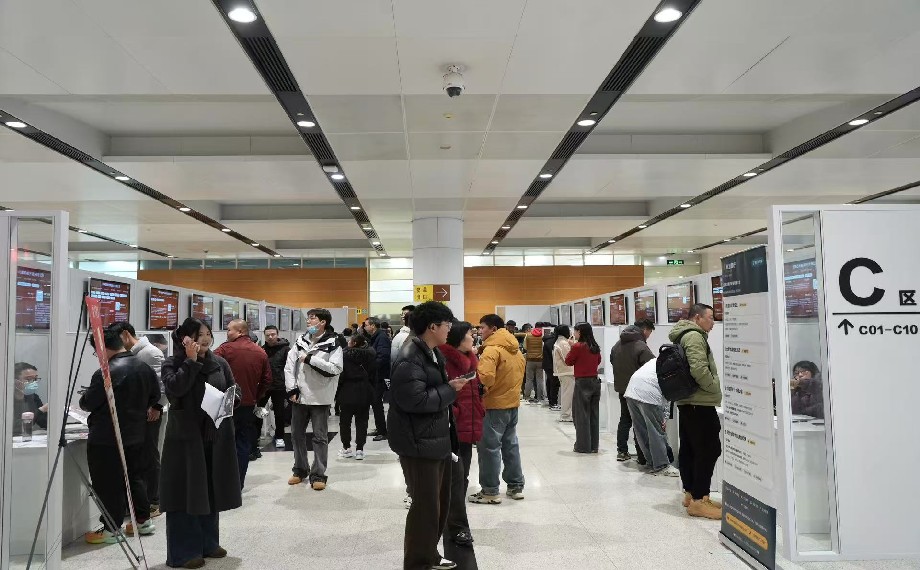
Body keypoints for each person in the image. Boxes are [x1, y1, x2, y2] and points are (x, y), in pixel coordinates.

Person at [388, 301, 466, 570]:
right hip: (418, 443)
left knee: (437, 504)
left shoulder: (430, 352)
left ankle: (429, 555)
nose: (450, 329)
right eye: (447, 325)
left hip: (434, 439)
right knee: (425, 507)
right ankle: (418, 562)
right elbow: (415, 401)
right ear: (432, 326)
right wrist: (451, 390)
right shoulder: (410, 356)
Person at [160, 318, 241, 568]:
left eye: (207, 333)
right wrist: (191, 361)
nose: (204, 339)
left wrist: (230, 401)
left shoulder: (220, 363)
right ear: (184, 338)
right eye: (198, 334)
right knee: (185, 492)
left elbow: (234, 389)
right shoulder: (173, 363)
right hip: (186, 438)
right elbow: (175, 390)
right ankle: (184, 551)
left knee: (210, 489)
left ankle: (208, 543)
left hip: (214, 435)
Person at [81, 328, 160, 544]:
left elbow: (89, 402)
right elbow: (155, 395)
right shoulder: (143, 366)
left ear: (101, 348)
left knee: (107, 483)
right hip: (137, 433)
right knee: (136, 478)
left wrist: (84, 398)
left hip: (107, 437)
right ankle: (142, 521)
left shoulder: (105, 373)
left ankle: (111, 528)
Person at [108, 322, 167, 517]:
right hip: (133, 414)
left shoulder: (150, 353)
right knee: (138, 458)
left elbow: (161, 384)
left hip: (150, 413)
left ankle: (154, 501)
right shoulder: (130, 354)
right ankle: (139, 501)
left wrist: (157, 406)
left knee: (149, 456)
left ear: (126, 334)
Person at [670, 303, 722, 520]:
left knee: (691, 448)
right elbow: (699, 369)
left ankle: (692, 495)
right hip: (699, 401)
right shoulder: (693, 336)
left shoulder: (684, 335)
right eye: (710, 318)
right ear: (698, 318)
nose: (713, 323)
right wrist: (714, 388)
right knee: (709, 449)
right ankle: (700, 500)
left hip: (689, 401)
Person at [469, 314, 526, 505]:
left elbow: (485, 377)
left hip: (493, 405)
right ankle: (515, 486)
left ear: (493, 329)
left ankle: (490, 491)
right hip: (512, 404)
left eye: (482, 327)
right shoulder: (515, 350)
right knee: (511, 446)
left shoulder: (492, 350)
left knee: (489, 449)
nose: (480, 331)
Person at [284, 308, 343, 490]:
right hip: (299, 396)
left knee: (320, 437)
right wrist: (291, 389)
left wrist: (310, 359)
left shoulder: (333, 342)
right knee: (296, 435)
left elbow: (335, 368)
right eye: (308, 318)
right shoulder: (300, 340)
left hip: (320, 397)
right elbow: (289, 366)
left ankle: (318, 474)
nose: (308, 321)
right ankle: (300, 469)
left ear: (322, 322)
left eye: (312, 318)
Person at [214, 319, 271, 488]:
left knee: (223, 443)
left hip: (225, 403)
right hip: (248, 405)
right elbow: (267, 380)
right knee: (243, 443)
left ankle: (223, 484)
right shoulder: (260, 352)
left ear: (240, 331)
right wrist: (255, 396)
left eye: (229, 330)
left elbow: (211, 368)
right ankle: (238, 484)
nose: (227, 333)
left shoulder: (224, 349)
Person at [440, 321, 482, 547]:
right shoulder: (445, 361)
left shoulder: (471, 359)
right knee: (454, 478)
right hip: (452, 427)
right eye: (469, 334)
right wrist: (456, 413)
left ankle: (454, 520)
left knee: (462, 476)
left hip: (468, 425)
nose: (473, 337)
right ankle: (456, 525)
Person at [610, 319, 655, 463]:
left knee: (625, 419)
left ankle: (622, 451)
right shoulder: (641, 346)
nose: (649, 335)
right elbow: (651, 366)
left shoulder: (617, 344)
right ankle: (642, 455)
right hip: (638, 390)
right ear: (645, 330)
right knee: (639, 422)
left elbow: (612, 361)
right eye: (650, 332)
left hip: (622, 389)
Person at [624, 358, 679, 477]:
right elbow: (669, 392)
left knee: (641, 431)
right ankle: (662, 466)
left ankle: (651, 462)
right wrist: (664, 417)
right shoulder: (675, 365)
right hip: (649, 394)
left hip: (631, 392)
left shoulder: (657, 360)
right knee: (656, 431)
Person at [336, 335, 376, 460]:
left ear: (353, 343)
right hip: (364, 390)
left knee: (345, 422)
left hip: (347, 390)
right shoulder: (370, 355)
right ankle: (360, 449)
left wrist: (337, 393)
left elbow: (340, 375)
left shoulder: (343, 355)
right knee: (362, 421)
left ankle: (346, 448)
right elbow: (374, 374)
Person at [565, 323, 603, 454]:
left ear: (580, 332)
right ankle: (594, 445)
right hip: (595, 382)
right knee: (593, 415)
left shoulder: (577, 346)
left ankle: (583, 446)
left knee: (581, 415)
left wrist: (571, 346)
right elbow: (598, 361)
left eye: (575, 331)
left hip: (582, 383)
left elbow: (568, 361)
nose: (574, 334)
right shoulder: (595, 346)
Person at [261, 325, 291, 449]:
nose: (270, 337)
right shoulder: (261, 350)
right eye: (267, 335)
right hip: (264, 386)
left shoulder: (286, 349)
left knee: (279, 413)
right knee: (259, 411)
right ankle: (255, 436)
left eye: (273, 334)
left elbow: (290, 368)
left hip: (279, 386)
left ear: (277, 334)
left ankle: (279, 437)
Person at [364, 316, 392, 442]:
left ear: (373, 325)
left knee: (376, 402)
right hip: (375, 375)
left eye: (366, 325)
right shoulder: (376, 337)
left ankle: (382, 431)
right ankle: (380, 428)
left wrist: (370, 367)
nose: (365, 327)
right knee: (375, 403)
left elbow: (383, 357)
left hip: (379, 376)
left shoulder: (381, 337)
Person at [12, 362, 48, 436]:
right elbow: (15, 427)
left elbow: (43, 423)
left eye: (35, 379)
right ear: (15, 380)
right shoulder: (6, 400)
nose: (33, 382)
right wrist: (41, 410)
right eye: (28, 379)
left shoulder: (33, 397)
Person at [552, 326, 575, 422]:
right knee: (568, 394)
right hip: (567, 371)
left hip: (563, 372)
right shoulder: (563, 343)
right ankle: (566, 415)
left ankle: (566, 414)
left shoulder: (560, 341)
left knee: (566, 393)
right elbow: (568, 358)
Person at [523, 325, 546, 404]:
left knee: (529, 379)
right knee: (540, 379)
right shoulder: (543, 336)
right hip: (540, 360)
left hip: (530, 360)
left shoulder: (528, 335)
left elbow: (525, 347)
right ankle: (539, 397)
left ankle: (527, 396)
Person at [542, 325, 560, 411]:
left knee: (549, 382)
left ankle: (551, 401)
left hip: (546, 365)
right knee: (554, 384)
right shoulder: (554, 342)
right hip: (552, 365)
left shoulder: (547, 340)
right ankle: (553, 402)